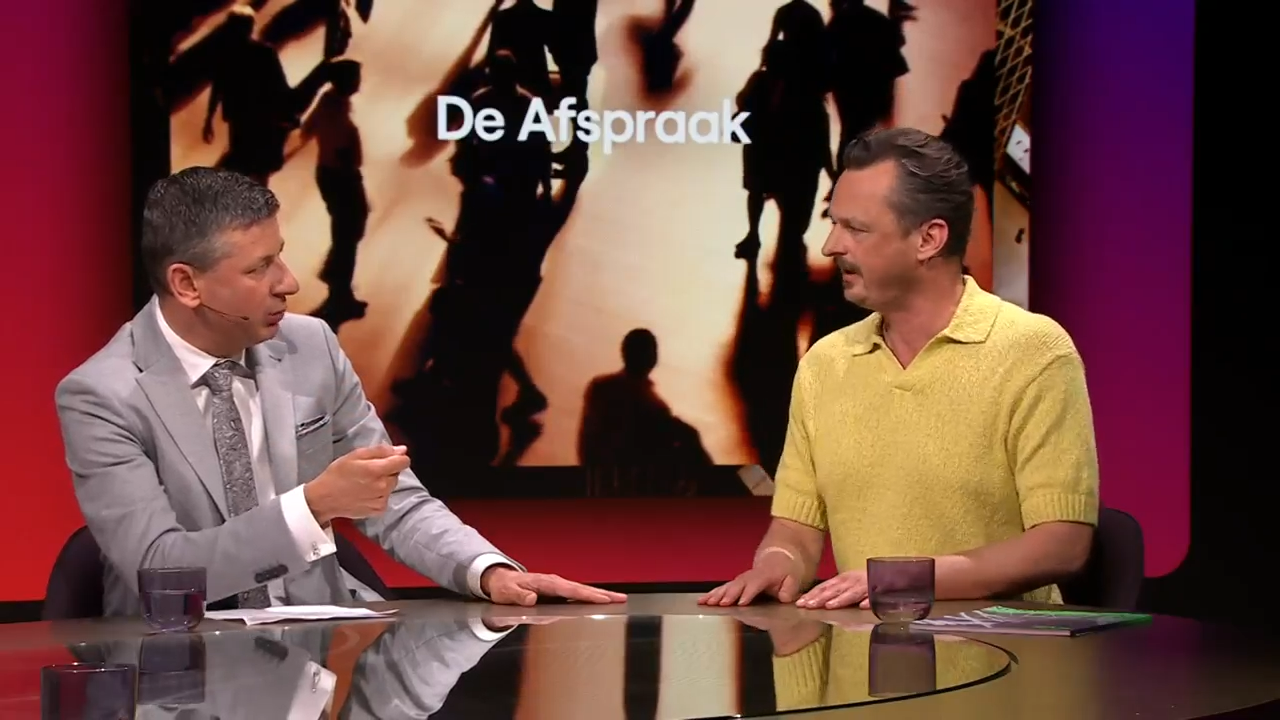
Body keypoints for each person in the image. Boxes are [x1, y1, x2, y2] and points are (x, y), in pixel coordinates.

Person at [55, 167, 625, 616]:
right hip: (178, 671)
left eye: (279, 255)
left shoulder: (312, 346)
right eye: (259, 268)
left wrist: (488, 571)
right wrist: (313, 506)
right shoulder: (102, 396)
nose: (289, 282)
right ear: (187, 283)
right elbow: (160, 571)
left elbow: (394, 499)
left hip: (326, 649)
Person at [700, 128, 1099, 609]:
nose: (830, 246)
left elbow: (1062, 544)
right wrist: (777, 563)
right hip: (863, 648)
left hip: (1006, 650)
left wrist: (908, 579)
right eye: (833, 223)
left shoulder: (1034, 353)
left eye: (856, 229)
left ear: (928, 239)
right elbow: (795, 527)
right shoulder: (825, 364)